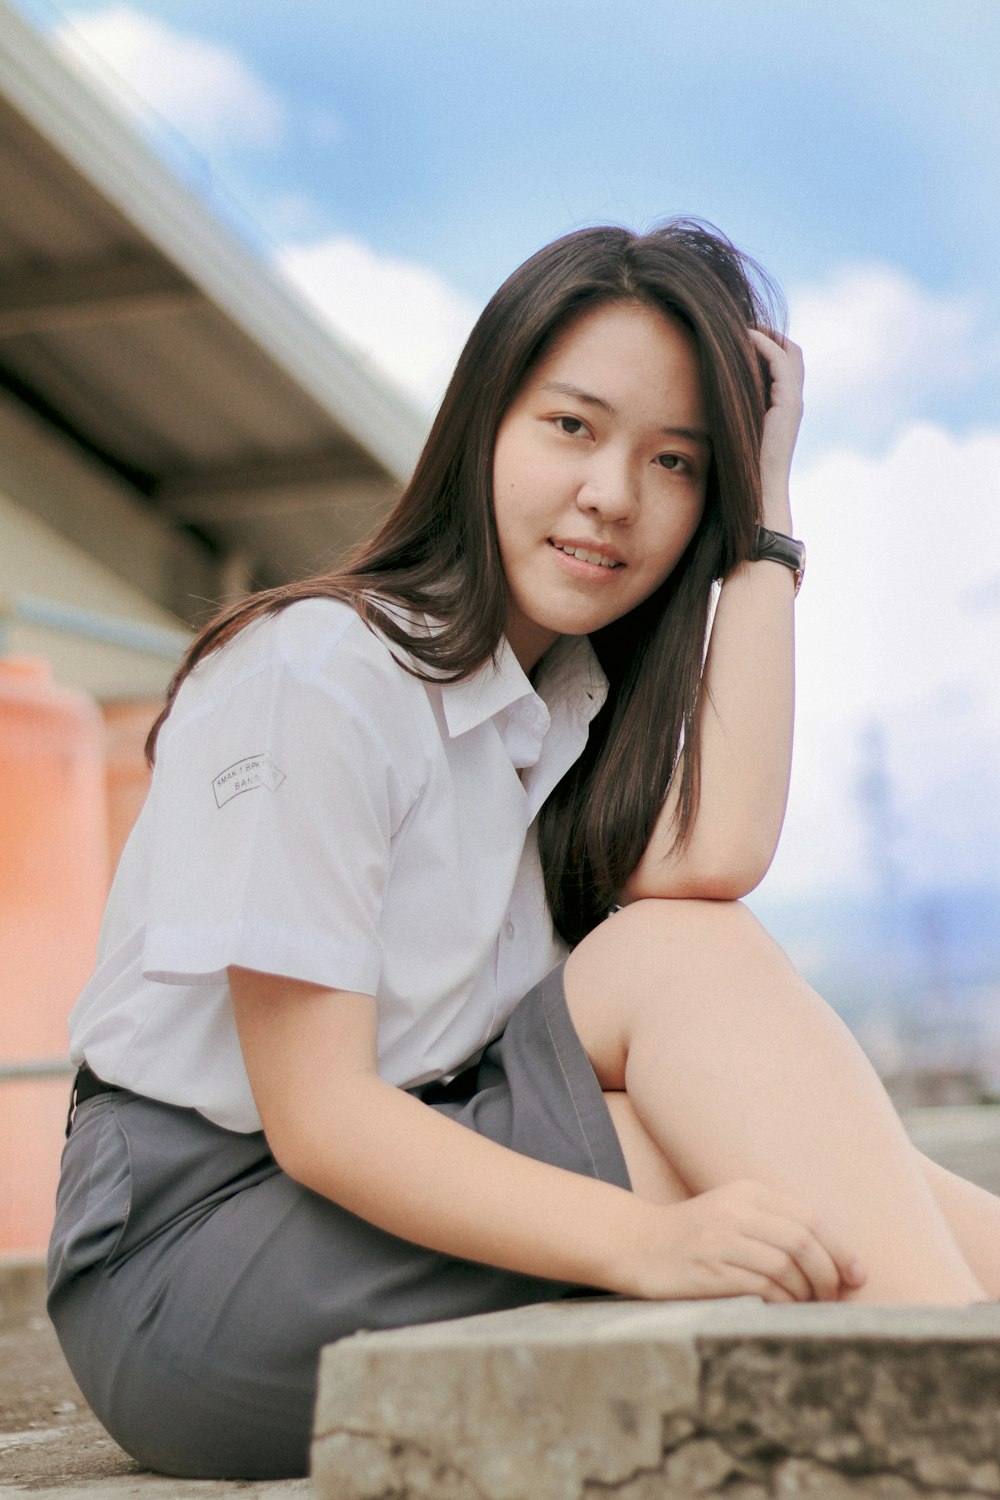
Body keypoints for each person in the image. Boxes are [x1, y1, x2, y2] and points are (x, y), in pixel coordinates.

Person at [48, 219, 1000, 1480]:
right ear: (482, 422)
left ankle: (964, 1399)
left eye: (677, 463)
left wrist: (764, 521)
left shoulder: (555, 715)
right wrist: (641, 1245)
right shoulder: (323, 674)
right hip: (195, 1264)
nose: (615, 493)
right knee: (748, 1139)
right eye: (573, 428)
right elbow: (322, 1118)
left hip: (385, 1184)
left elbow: (716, 860)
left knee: (775, 1130)